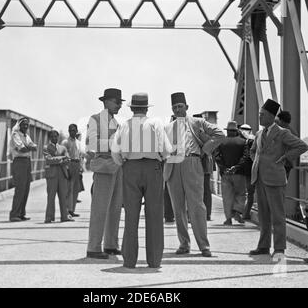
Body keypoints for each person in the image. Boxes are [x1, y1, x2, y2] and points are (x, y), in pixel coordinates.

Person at [112, 93, 172, 268]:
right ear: (146, 108)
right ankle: (154, 260)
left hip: (130, 168)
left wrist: (124, 162)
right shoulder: (156, 123)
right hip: (153, 168)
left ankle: (129, 260)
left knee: (131, 215)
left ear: (131, 108)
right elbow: (167, 150)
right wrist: (159, 158)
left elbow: (115, 151)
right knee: (154, 215)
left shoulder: (124, 125)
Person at [164, 92, 225, 257]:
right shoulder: (168, 127)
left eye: (180, 106)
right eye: (175, 107)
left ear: (186, 107)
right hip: (173, 165)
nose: (177, 110)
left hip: (192, 162)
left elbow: (220, 134)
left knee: (197, 206)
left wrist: (206, 149)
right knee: (178, 208)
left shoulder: (198, 122)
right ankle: (184, 244)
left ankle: (204, 246)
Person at [249, 99, 308, 257]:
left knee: (278, 215)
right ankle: (263, 246)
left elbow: (302, 146)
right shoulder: (259, 133)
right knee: (263, 215)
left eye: (262, 115)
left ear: (270, 116)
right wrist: (256, 161)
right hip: (260, 178)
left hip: (275, 178)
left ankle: (279, 248)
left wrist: (286, 157)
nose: (259, 117)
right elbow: (253, 150)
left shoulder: (282, 133)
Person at [85, 88, 124, 259]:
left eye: (120, 103)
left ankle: (110, 244)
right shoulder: (95, 119)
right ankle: (93, 247)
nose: (119, 106)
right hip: (104, 166)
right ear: (106, 101)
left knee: (115, 208)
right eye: (117, 102)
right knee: (100, 208)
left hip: (117, 167)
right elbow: (92, 143)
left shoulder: (116, 122)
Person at [214, 121, 247, 225]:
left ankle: (228, 219)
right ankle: (237, 211)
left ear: (227, 131)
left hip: (225, 174)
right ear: (236, 131)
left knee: (227, 197)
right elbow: (245, 157)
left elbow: (217, 156)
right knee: (241, 194)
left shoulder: (221, 142)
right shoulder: (243, 142)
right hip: (239, 173)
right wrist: (236, 167)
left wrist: (224, 168)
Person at [9, 117, 37, 222]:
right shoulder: (15, 134)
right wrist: (28, 147)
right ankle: (14, 214)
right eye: (24, 124)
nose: (25, 126)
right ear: (19, 125)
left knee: (26, 189)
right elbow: (22, 148)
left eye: (27, 125)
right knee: (20, 189)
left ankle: (21, 213)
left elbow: (34, 147)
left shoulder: (27, 136)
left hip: (27, 162)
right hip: (19, 162)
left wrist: (26, 147)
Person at [43, 130, 74, 223]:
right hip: (51, 176)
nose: (54, 138)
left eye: (56, 136)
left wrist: (57, 160)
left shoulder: (63, 148)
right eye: (52, 136)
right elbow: (48, 160)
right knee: (51, 197)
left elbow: (68, 159)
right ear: (49, 138)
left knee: (63, 196)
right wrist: (61, 158)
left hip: (62, 174)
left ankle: (64, 216)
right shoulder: (46, 148)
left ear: (58, 137)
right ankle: (49, 217)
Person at [193, 113, 214, 221]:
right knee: (205, 190)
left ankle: (201, 214)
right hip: (205, 164)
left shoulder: (199, 132)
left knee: (198, 190)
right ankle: (206, 214)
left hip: (201, 163)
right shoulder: (208, 132)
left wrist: (202, 151)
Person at [62, 124, 83, 217]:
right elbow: (63, 155)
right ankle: (67, 209)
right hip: (69, 164)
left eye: (74, 130)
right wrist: (66, 167)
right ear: (68, 131)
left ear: (76, 131)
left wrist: (81, 168)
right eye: (71, 130)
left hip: (77, 164)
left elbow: (80, 155)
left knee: (75, 189)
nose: (72, 132)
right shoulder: (65, 142)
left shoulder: (78, 142)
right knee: (69, 188)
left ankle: (72, 209)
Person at [238, 124, 255, 220]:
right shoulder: (253, 139)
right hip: (251, 170)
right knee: (250, 193)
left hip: (246, 171)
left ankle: (245, 213)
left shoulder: (247, 141)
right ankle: (245, 213)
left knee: (247, 192)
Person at [275, 110, 298, 179]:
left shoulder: (284, 133)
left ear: (281, 120)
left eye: (278, 120)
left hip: (282, 163)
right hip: (287, 163)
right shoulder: (294, 133)